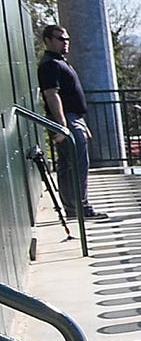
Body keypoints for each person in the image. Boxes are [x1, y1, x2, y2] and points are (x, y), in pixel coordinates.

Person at [36, 21, 92, 220]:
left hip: (73, 118)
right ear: (48, 40)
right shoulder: (50, 64)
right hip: (66, 120)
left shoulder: (59, 61)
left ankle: (74, 207)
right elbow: (52, 94)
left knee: (69, 165)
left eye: (67, 39)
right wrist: (62, 124)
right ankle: (80, 208)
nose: (65, 43)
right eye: (60, 39)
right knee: (76, 166)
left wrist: (80, 123)